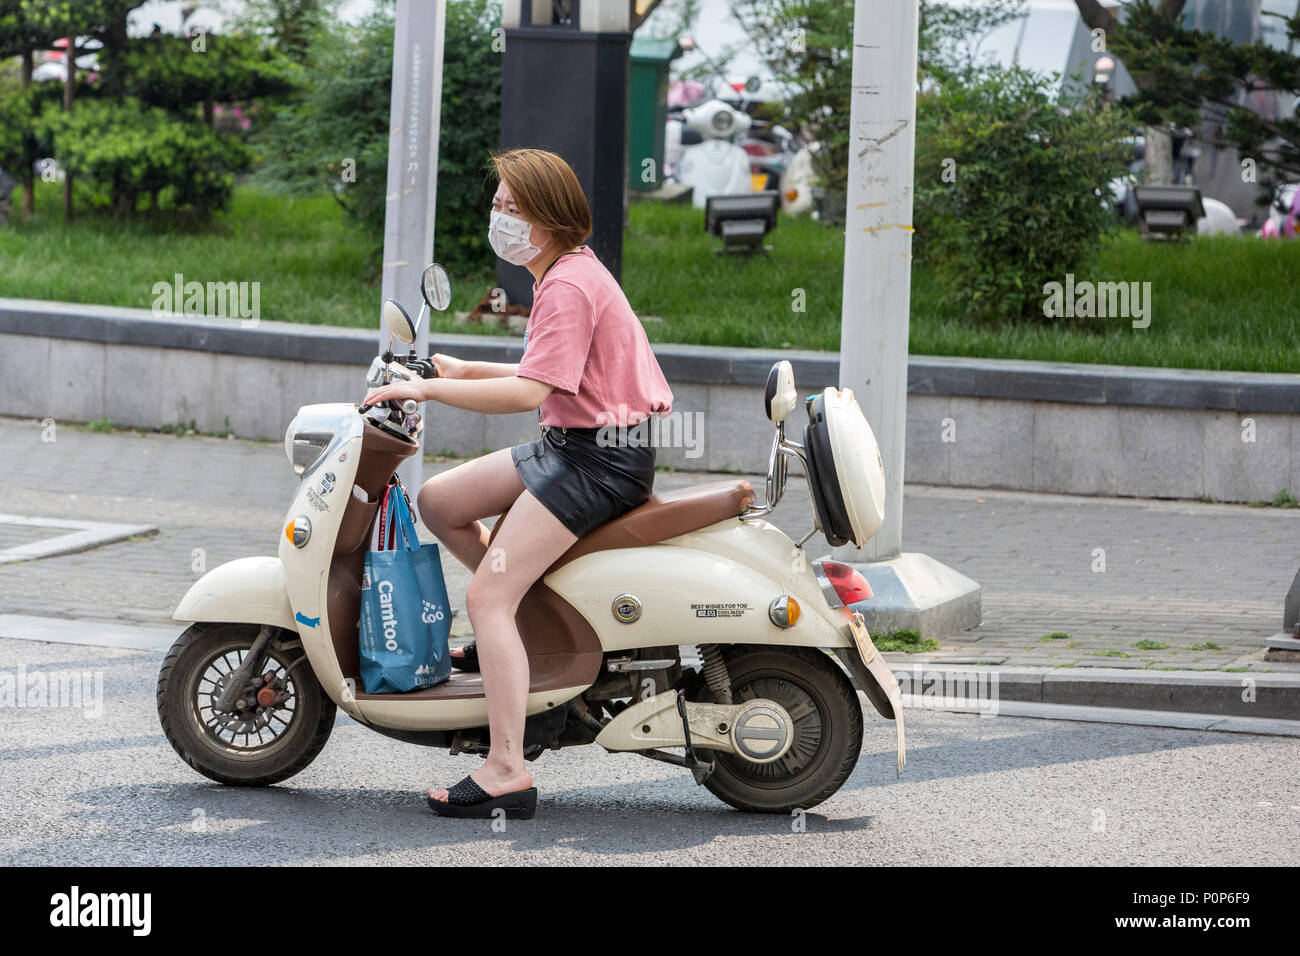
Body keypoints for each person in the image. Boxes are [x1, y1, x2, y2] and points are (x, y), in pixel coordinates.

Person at [362, 147, 673, 819]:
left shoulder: (566, 284)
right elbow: (545, 373)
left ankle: (507, 769)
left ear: (550, 217)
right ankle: (527, 616)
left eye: (512, 208)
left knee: (486, 597)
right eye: (497, 205)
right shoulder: (566, 273)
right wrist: (455, 366)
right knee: (441, 501)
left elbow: (530, 389)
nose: (499, 218)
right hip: (575, 444)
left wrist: (430, 387)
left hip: (598, 460)